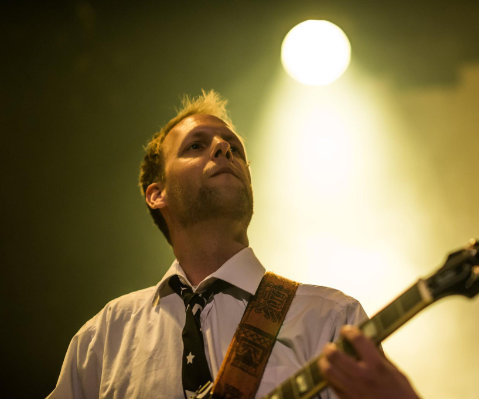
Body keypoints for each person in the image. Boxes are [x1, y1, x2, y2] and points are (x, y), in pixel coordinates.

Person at [48, 91, 419, 399]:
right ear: (156, 194)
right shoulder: (105, 337)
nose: (223, 149)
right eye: (196, 146)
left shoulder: (330, 319)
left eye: (235, 149)